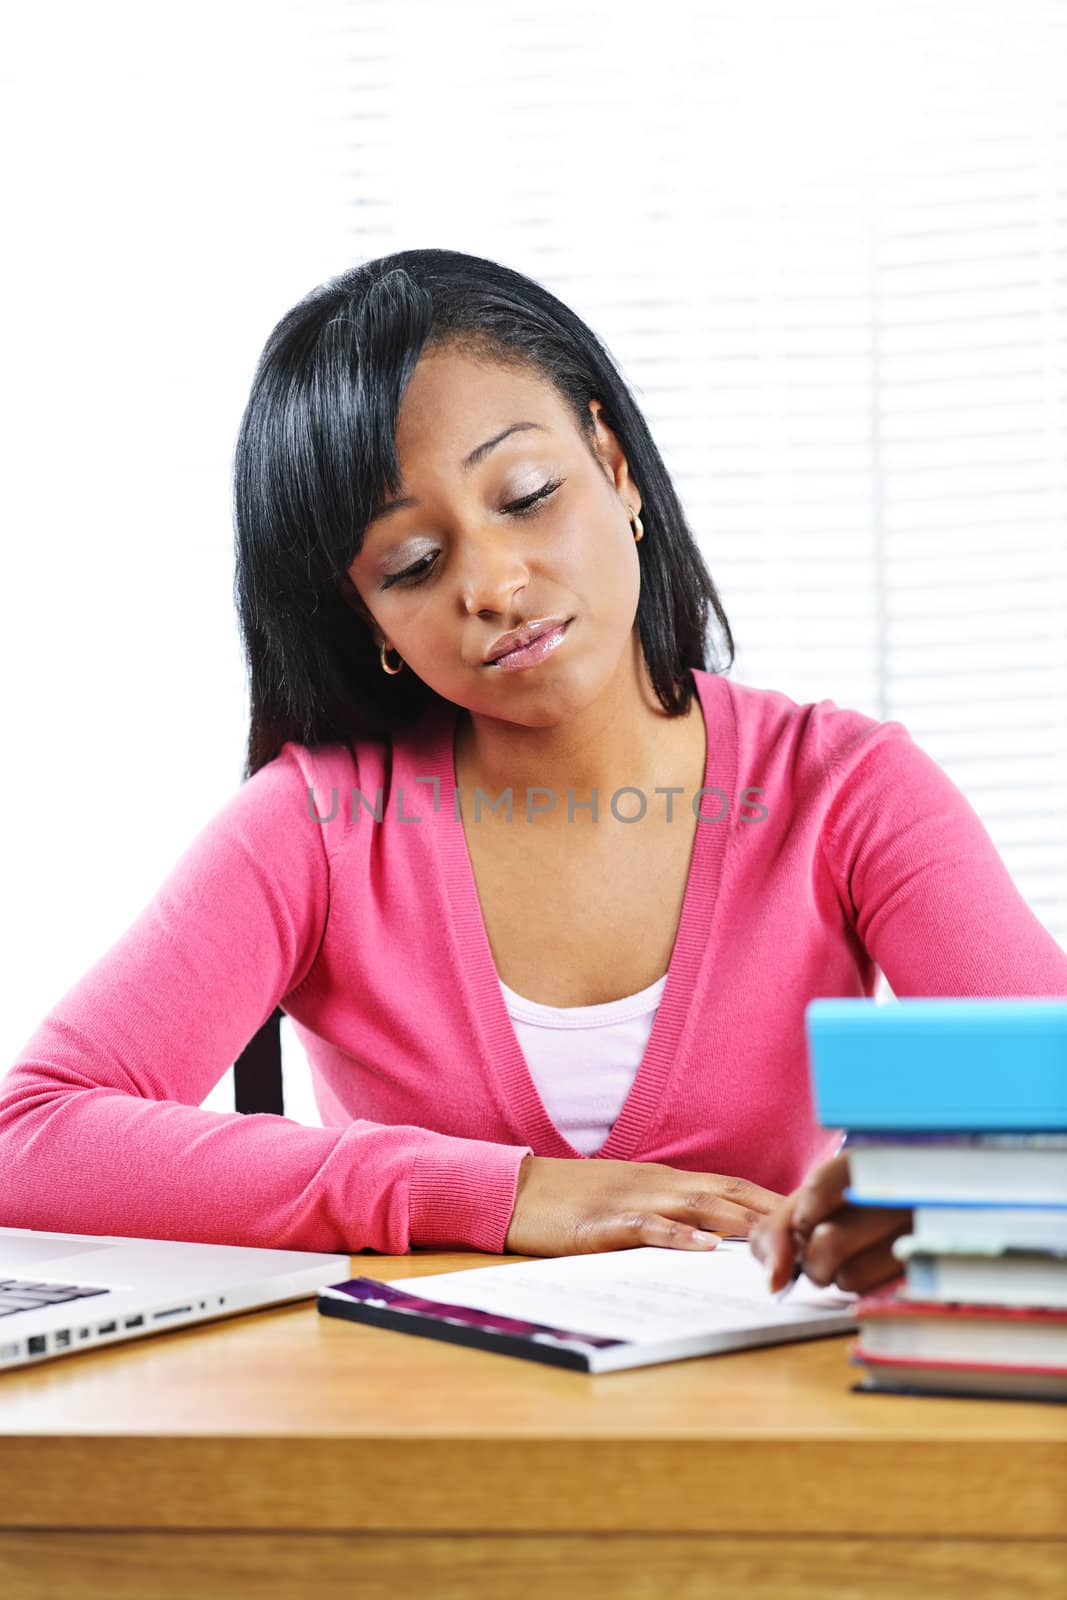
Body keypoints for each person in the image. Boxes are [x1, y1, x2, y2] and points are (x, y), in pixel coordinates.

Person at [3, 250, 1065, 1293]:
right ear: (365, 618)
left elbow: (1047, 1093)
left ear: (612, 462)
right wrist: (504, 1192)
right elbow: (30, 1134)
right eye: (412, 564)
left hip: (758, 1439)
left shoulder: (843, 790)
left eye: (524, 493)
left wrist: (948, 1188)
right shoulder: (320, 826)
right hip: (414, 1443)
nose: (495, 585)